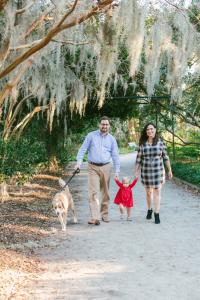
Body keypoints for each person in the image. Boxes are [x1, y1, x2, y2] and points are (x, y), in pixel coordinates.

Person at [75, 116, 120, 225]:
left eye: (106, 124)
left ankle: (104, 214)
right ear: (99, 125)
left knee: (105, 192)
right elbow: (82, 149)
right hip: (92, 167)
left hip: (106, 167)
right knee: (93, 192)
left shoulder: (112, 139)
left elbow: (115, 155)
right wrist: (78, 163)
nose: (104, 126)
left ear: (109, 126)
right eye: (103, 124)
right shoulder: (91, 136)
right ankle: (95, 217)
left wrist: (117, 170)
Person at [135, 123, 173, 224]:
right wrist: (136, 172)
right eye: (148, 129)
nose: (150, 131)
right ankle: (149, 209)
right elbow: (138, 159)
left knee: (157, 192)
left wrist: (169, 170)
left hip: (158, 171)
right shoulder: (143, 144)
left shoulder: (160, 143)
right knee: (148, 193)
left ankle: (156, 214)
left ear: (155, 130)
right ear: (146, 131)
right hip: (146, 171)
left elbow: (166, 157)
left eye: (151, 129)